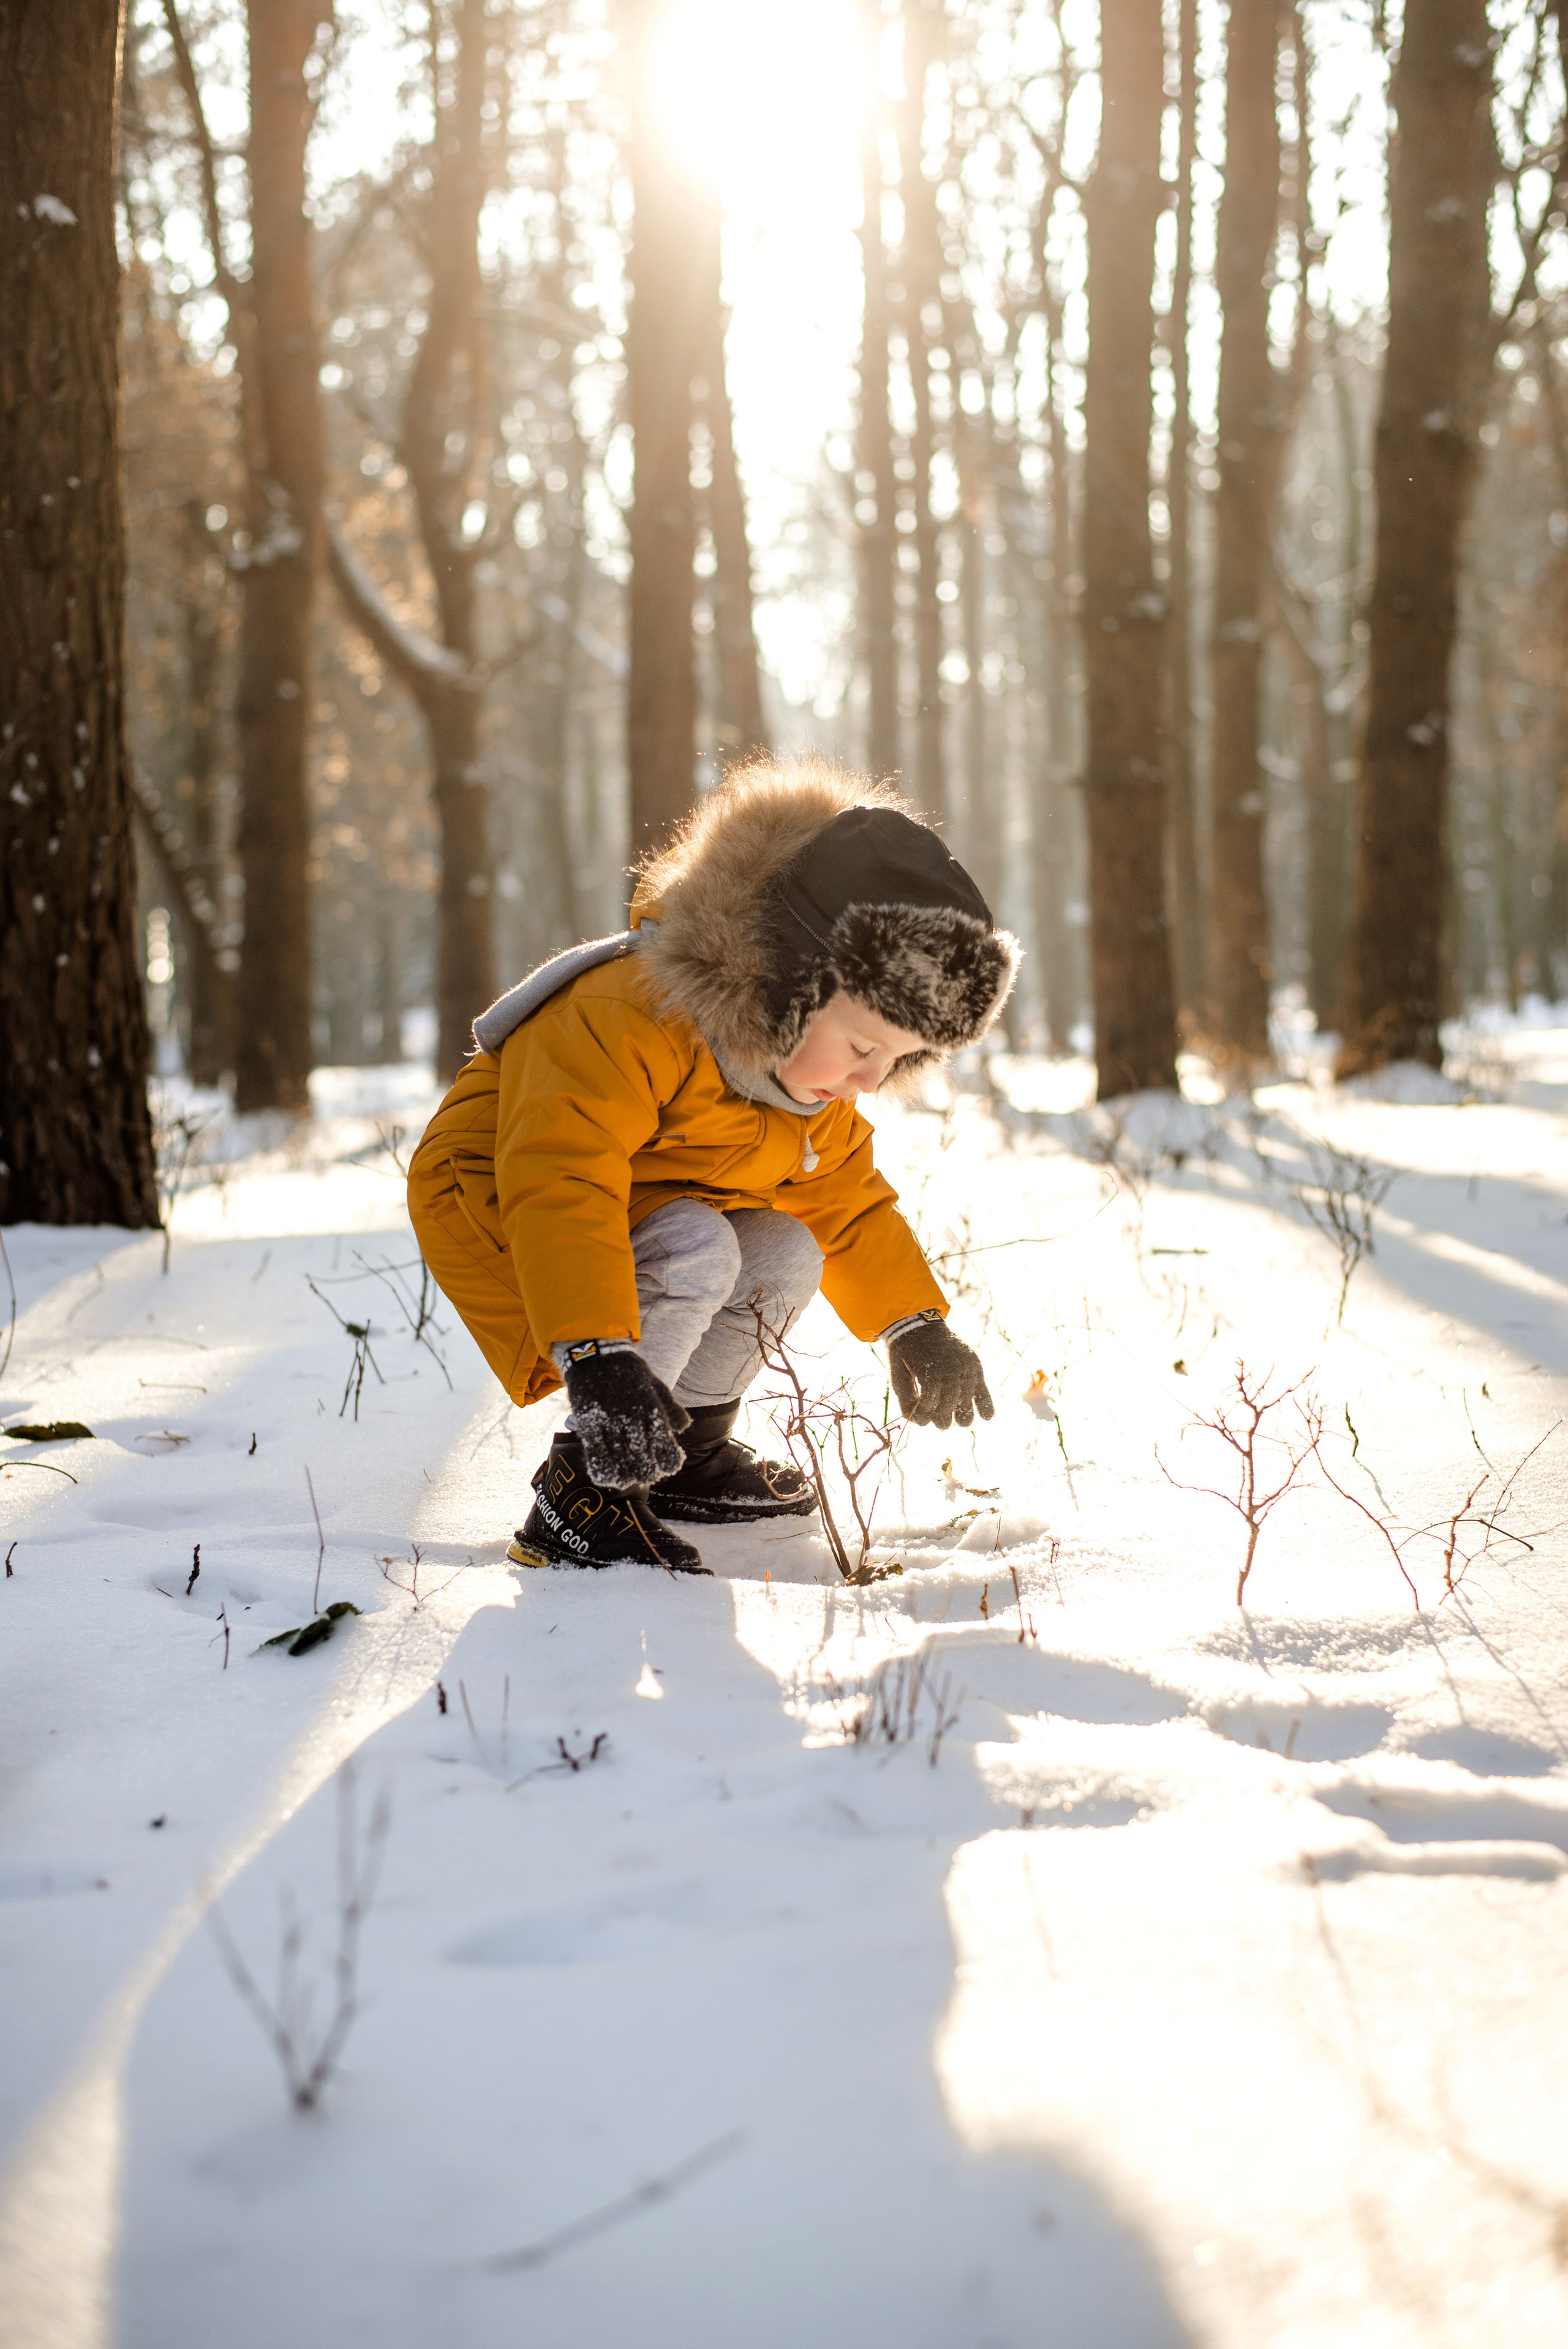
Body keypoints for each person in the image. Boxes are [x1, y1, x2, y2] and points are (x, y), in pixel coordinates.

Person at [407, 757, 1020, 1576]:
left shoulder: (802, 1085)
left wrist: (915, 1324)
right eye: (866, 1046)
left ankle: (684, 1455)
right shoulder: (631, 1012)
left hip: (627, 1204)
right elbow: (561, 1179)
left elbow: (851, 1206)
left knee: (786, 1246)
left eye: (902, 1058)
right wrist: (599, 1357)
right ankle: (581, 1497)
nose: (873, 1079)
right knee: (698, 1244)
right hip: (495, 1194)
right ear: (792, 979)